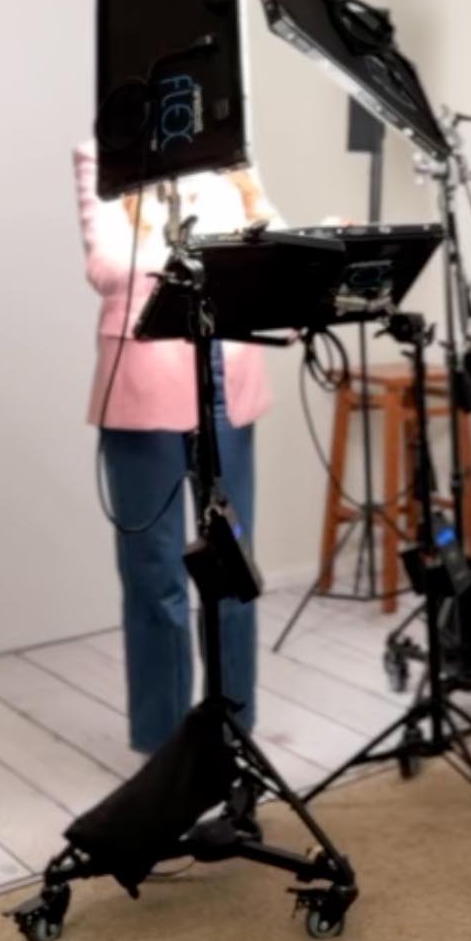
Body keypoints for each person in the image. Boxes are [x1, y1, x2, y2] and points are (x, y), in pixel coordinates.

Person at [74, 142, 280, 756]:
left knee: (233, 565)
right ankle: (164, 747)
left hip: (230, 373)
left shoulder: (231, 154)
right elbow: (106, 267)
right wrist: (205, 258)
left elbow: (272, 238)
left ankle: (234, 733)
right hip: (144, 381)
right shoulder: (103, 152)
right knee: (154, 573)